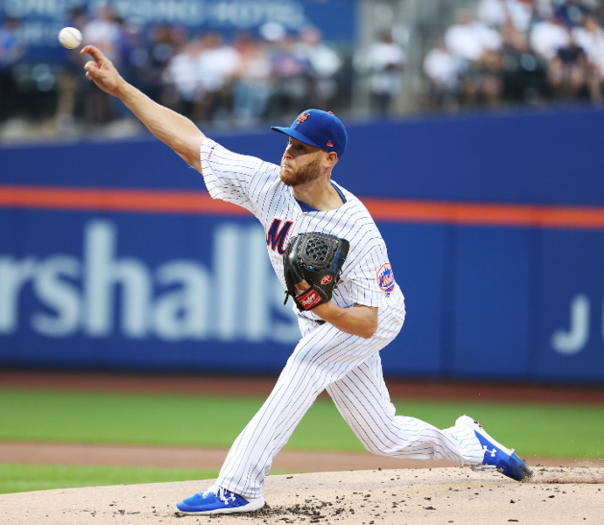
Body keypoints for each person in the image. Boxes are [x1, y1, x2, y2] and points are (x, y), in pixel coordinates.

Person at [80, 44, 533, 516]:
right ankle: (469, 443)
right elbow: (190, 142)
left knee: (306, 365)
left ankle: (239, 486)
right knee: (385, 437)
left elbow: (366, 321)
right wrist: (122, 89)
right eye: (289, 142)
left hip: (367, 316)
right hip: (323, 318)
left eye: (301, 147)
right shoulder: (268, 184)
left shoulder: (357, 230)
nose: (289, 153)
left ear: (329, 158)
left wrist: (325, 309)